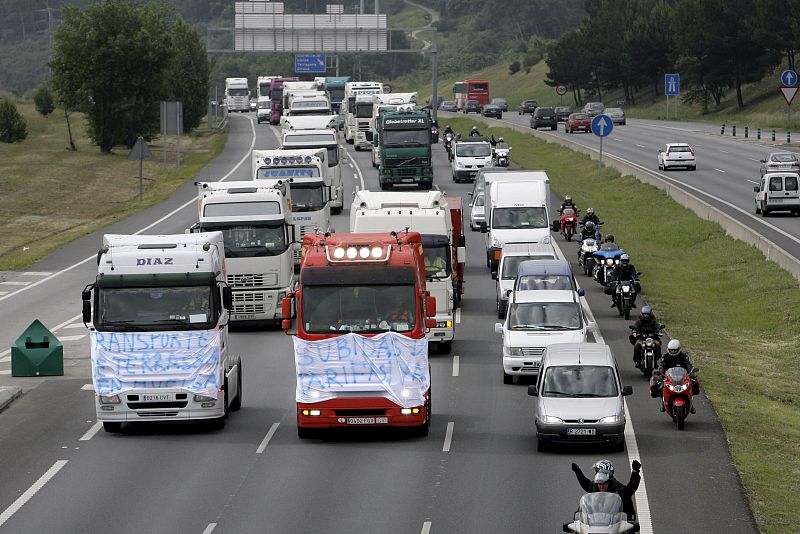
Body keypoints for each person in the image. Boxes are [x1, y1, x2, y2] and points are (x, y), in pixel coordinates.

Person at [571, 460, 641, 520]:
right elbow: (585, 483)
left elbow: (630, 489)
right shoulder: (594, 486)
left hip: (616, 524)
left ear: (609, 481)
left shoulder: (619, 489)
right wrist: (577, 471)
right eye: (599, 484)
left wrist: (635, 473)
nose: (601, 486)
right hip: (594, 523)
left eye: (604, 484)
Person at [655, 339, 697, 412]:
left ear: (679, 349)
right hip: (669, 377)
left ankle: (691, 405)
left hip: (682, 376)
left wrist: (692, 374)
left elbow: (688, 365)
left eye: (675, 350)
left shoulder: (683, 356)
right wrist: (661, 375)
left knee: (693, 384)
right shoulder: (665, 357)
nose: (673, 351)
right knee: (661, 387)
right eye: (671, 350)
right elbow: (662, 366)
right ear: (668, 349)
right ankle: (663, 404)